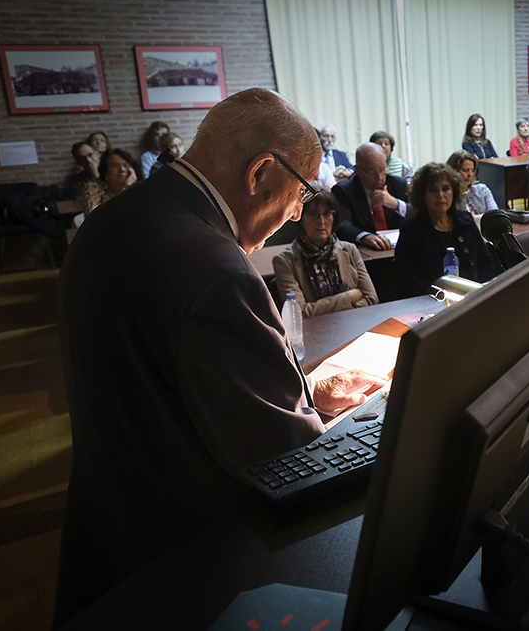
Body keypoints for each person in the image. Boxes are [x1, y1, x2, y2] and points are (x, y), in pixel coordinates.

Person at [54, 88, 383, 626]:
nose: (300, 211)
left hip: (105, 532)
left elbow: (161, 377)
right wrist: (337, 417)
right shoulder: (217, 269)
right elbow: (288, 458)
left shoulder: (109, 224)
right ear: (260, 174)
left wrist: (292, 388)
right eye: (301, 193)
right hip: (191, 564)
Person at [394, 162, 496, 297]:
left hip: (473, 297)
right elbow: (408, 277)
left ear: (453, 192)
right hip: (432, 301)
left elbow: (486, 262)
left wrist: (477, 291)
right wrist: (440, 294)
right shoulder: (411, 229)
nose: (440, 195)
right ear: (422, 195)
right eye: (433, 190)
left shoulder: (466, 220)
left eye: (446, 189)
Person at [272, 190, 378, 317]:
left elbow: (372, 299)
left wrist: (321, 308)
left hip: (355, 324)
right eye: (313, 214)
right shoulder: (284, 260)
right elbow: (299, 312)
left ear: (334, 217)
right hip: (315, 332)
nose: (321, 221)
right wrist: (347, 298)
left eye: (327, 214)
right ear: (301, 219)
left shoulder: (349, 250)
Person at [333, 142, 412, 250]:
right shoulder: (343, 190)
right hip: (367, 253)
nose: (380, 177)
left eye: (382, 170)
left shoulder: (398, 184)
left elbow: (420, 214)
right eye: (372, 172)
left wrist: (396, 204)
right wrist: (365, 237)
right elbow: (342, 224)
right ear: (358, 170)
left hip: (400, 249)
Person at [82, 148, 139, 215]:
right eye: (114, 166)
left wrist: (129, 187)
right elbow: (98, 219)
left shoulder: (137, 189)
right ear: (105, 173)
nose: (122, 169)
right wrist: (125, 189)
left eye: (125, 165)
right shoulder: (93, 189)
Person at [447, 149, 497, 216]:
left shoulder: (482, 190)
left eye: (472, 170)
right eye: (465, 170)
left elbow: (496, 216)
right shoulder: (449, 196)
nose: (470, 174)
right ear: (453, 171)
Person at [316, 123, 354, 189]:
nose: (330, 140)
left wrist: (345, 171)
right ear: (319, 138)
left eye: (332, 136)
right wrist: (333, 174)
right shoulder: (315, 156)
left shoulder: (341, 155)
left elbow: (352, 170)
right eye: (326, 136)